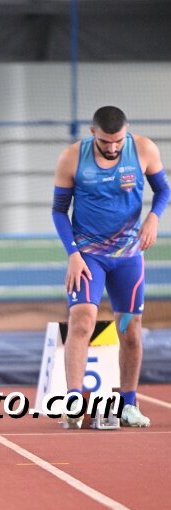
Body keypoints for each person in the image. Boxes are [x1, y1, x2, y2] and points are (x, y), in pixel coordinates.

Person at [52, 105, 170, 428]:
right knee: (82, 321)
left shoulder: (143, 149)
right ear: (93, 133)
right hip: (88, 257)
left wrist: (153, 218)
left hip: (128, 258)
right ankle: (74, 402)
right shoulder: (72, 158)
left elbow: (163, 190)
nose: (113, 147)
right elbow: (59, 211)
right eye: (106, 141)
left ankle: (128, 405)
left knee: (130, 330)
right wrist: (73, 254)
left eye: (119, 141)